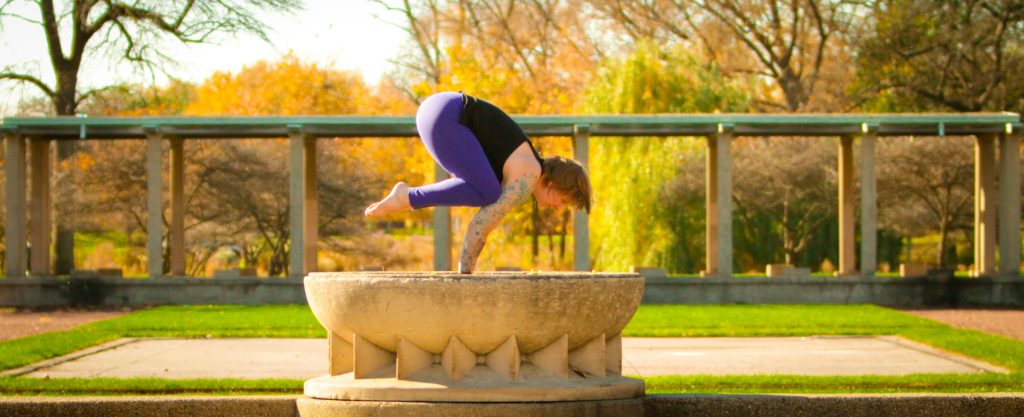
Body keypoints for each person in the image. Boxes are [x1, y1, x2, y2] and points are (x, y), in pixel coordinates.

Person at [365, 91, 591, 273]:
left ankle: (407, 197)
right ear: (552, 183)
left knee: (482, 186)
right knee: (487, 192)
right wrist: (466, 275)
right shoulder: (528, 175)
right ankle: (406, 197)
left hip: (437, 110)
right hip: (446, 116)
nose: (559, 208)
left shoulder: (524, 162)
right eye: (563, 200)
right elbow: (480, 226)